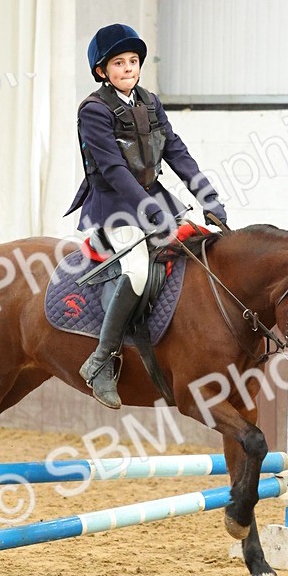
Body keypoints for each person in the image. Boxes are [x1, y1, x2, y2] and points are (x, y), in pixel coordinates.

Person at [64, 23, 227, 409]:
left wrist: (209, 197)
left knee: (199, 248)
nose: (128, 68)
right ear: (102, 71)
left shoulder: (150, 102)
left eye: (133, 61)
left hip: (154, 200)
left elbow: (177, 151)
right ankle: (100, 362)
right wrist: (147, 207)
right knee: (137, 270)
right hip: (113, 206)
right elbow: (114, 170)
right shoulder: (93, 110)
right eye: (118, 63)